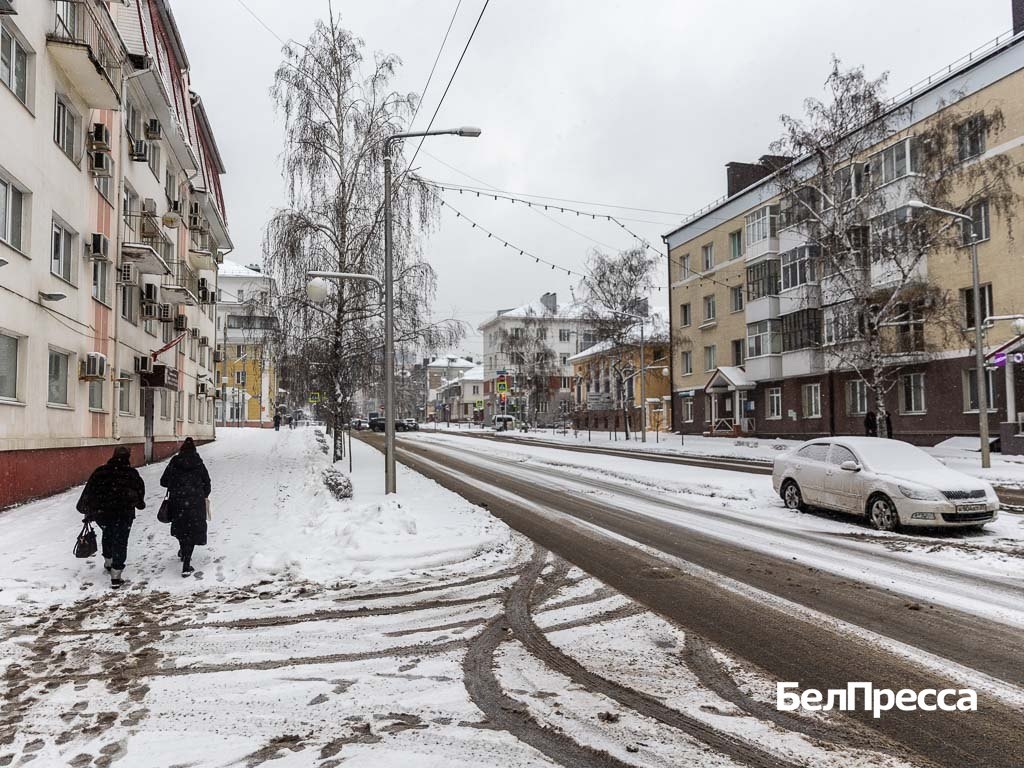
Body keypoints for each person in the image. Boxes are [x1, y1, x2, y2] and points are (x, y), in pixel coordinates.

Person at [76, 446, 146, 589]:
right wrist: (139, 503)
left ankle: (108, 561)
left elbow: (89, 491)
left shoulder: (100, 472)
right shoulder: (131, 474)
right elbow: (139, 492)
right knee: (121, 540)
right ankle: (116, 574)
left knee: (108, 533)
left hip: (102, 513)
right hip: (124, 514)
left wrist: (87, 509)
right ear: (128, 457)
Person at [160, 438, 211, 576]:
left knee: (181, 529)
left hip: (178, 502)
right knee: (192, 530)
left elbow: (163, 481)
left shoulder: (175, 462)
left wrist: (176, 485)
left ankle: (183, 551)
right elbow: (207, 482)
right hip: (195, 502)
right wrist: (202, 494)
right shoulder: (198, 463)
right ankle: (186, 563)